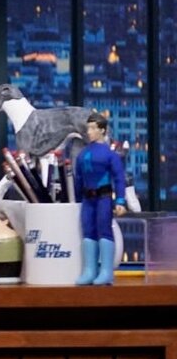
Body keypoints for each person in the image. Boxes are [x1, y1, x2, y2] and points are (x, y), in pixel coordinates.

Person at [73, 112, 129, 285]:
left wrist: (120, 201)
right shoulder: (82, 155)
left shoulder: (110, 155)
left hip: (104, 198)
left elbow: (119, 178)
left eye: (93, 128)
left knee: (104, 230)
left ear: (102, 130)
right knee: (88, 231)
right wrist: (77, 200)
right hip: (87, 200)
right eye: (88, 128)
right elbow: (78, 179)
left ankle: (106, 271)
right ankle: (89, 269)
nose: (89, 131)